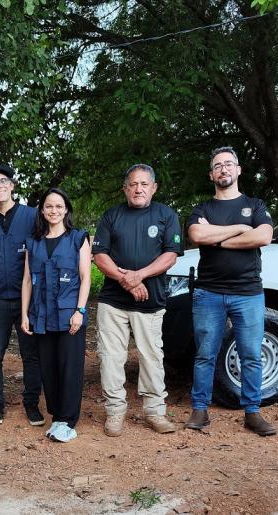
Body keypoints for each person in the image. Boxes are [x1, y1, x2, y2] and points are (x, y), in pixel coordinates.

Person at [185, 146, 276, 436]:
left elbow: (264, 235)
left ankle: (252, 412)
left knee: (251, 354)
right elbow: (198, 235)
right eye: (217, 165)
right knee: (204, 354)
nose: (223, 169)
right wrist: (239, 227)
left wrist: (218, 238)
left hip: (248, 293)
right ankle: (200, 410)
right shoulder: (202, 210)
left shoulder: (256, 204)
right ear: (211, 174)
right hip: (208, 293)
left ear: (238, 170)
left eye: (228, 164)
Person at [93, 164, 183, 437]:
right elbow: (100, 256)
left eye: (144, 184)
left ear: (154, 188)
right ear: (125, 188)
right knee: (111, 358)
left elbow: (171, 255)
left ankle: (155, 412)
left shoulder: (166, 215)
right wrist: (128, 282)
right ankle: (115, 412)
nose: (138, 189)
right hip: (112, 302)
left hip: (151, 301)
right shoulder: (112, 215)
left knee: (151, 357)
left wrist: (139, 276)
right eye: (133, 184)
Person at [0, 164, 43, 427]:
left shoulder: (33, 216)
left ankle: (32, 404)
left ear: (12, 185)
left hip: (28, 300)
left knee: (31, 355)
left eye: (3, 181)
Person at [20, 188, 91, 443]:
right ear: (42, 210)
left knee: (69, 368)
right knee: (48, 369)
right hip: (41, 315)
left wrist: (80, 311)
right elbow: (27, 280)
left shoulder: (78, 238)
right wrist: (24, 315)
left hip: (69, 315)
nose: (54, 210)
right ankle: (57, 418)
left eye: (59, 206)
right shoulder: (34, 241)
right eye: (49, 206)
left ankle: (69, 422)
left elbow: (85, 278)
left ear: (66, 209)